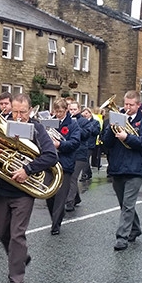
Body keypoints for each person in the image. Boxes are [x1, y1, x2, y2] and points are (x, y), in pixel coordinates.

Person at [0, 93, 58, 283]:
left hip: (23, 191)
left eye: (22, 112)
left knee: (17, 235)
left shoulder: (37, 128)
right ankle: (21, 257)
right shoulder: (4, 126)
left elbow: (51, 155)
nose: (18, 116)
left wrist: (27, 169)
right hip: (2, 189)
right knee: (2, 233)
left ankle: (17, 280)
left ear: (30, 110)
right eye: (14, 111)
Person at [102, 91, 142, 251]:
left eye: (131, 105)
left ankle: (122, 238)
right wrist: (111, 129)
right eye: (125, 104)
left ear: (138, 105)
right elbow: (106, 143)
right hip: (118, 166)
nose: (127, 107)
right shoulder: (117, 119)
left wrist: (127, 137)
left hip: (135, 168)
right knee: (124, 204)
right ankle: (135, 228)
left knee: (128, 204)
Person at [46, 98, 79, 235]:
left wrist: (60, 145)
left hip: (65, 164)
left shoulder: (73, 124)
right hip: (49, 163)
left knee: (60, 195)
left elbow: (75, 142)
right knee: (48, 193)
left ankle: (55, 224)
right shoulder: (48, 122)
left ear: (66, 110)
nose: (58, 114)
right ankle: (57, 214)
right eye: (56, 111)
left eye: (61, 111)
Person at [65, 102, 92, 211]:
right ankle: (76, 198)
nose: (72, 111)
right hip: (69, 152)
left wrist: (75, 126)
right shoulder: (67, 121)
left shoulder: (84, 121)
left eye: (74, 109)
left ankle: (69, 202)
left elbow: (86, 135)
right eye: (70, 109)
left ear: (79, 109)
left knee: (72, 177)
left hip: (80, 153)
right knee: (69, 177)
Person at [80, 107, 99, 181]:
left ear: (90, 114)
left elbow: (96, 132)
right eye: (84, 113)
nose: (85, 115)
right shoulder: (82, 122)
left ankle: (84, 174)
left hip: (90, 144)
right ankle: (89, 173)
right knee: (85, 159)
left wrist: (90, 126)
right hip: (83, 143)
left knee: (86, 159)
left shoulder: (95, 122)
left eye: (87, 113)